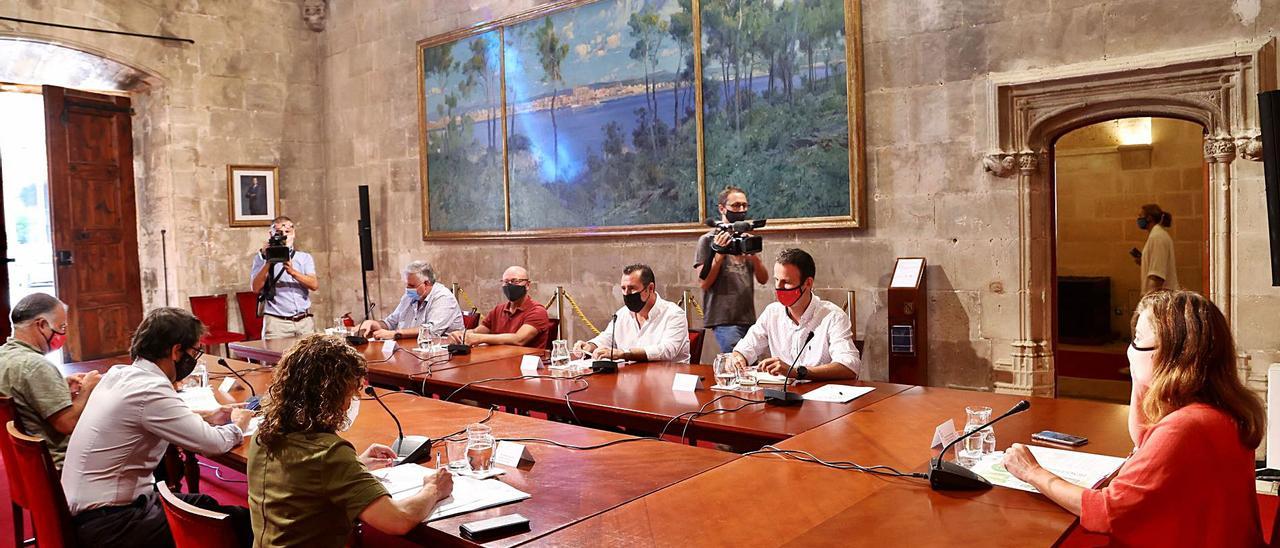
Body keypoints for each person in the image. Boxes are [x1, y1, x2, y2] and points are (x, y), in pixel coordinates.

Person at [1002, 290, 1264, 546]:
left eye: (1137, 340)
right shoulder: (1221, 409)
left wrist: (1033, 472)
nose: (1129, 351)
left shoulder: (1185, 427)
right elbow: (1143, 440)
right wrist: (1140, 377)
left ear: (1172, 353)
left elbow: (1105, 512)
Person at [61, 307, 255, 548]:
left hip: (89, 512)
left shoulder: (120, 374)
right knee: (239, 522)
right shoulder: (150, 388)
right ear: (176, 351)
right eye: (195, 351)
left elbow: (149, 417)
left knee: (204, 503)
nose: (194, 359)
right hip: (112, 524)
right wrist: (238, 424)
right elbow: (213, 445)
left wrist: (207, 417)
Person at [249, 334, 453, 546]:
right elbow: (398, 520)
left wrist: (356, 466)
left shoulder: (263, 434)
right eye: (350, 394)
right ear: (330, 396)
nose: (351, 404)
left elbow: (298, 478)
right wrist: (434, 488)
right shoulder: (329, 453)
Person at [0, 293, 100, 468]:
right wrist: (88, 388)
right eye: (62, 327)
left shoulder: (4, 355)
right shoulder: (36, 365)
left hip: (27, 463)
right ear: (42, 325)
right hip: (60, 464)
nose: (63, 333)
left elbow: (25, 398)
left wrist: (59, 386)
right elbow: (67, 424)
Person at [731, 248, 862, 381]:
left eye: (786, 282)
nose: (778, 287)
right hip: (781, 397)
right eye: (776, 280)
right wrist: (738, 359)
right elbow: (743, 350)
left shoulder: (833, 316)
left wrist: (797, 372)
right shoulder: (772, 313)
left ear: (808, 283)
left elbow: (849, 367)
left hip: (820, 398)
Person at [694, 186, 768, 354]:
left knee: (750, 366)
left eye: (744, 205)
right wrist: (718, 255)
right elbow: (704, 283)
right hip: (724, 319)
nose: (741, 210)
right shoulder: (707, 240)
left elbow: (763, 279)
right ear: (722, 208)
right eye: (736, 206)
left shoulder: (746, 239)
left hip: (747, 317)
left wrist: (753, 257)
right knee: (739, 363)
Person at [573, 264, 690, 363]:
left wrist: (624, 354)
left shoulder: (674, 314)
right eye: (623, 289)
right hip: (632, 381)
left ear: (650, 288)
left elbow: (667, 351)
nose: (627, 294)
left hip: (668, 382)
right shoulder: (623, 314)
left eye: (632, 288)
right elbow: (608, 337)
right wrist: (590, 346)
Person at [446, 266, 552, 349]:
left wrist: (479, 338)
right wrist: (460, 335)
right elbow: (477, 332)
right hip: (500, 361)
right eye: (506, 282)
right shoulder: (499, 310)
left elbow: (519, 339)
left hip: (527, 367)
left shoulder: (537, 311)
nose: (510, 285)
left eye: (515, 281)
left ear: (527, 285)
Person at [250, 216, 320, 339]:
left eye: (288, 232)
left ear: (294, 234)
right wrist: (269, 261)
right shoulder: (261, 258)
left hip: (303, 322)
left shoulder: (304, 258)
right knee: (275, 358)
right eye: (279, 233)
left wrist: (293, 272)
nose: (284, 237)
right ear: (271, 234)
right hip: (277, 323)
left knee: (307, 358)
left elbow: (314, 285)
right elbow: (255, 288)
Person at [357, 260, 463, 340]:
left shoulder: (443, 297)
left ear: (426, 283)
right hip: (409, 351)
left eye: (412, 285)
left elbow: (431, 331)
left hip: (442, 358)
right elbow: (391, 323)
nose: (408, 288)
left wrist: (395, 334)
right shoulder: (410, 296)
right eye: (407, 284)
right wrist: (374, 324)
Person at [1136, 203, 1178, 293]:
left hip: (1161, 299)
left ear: (1149, 218)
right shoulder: (1157, 235)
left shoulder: (1157, 237)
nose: (1138, 219)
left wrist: (1152, 301)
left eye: (1140, 216)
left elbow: (1157, 276)